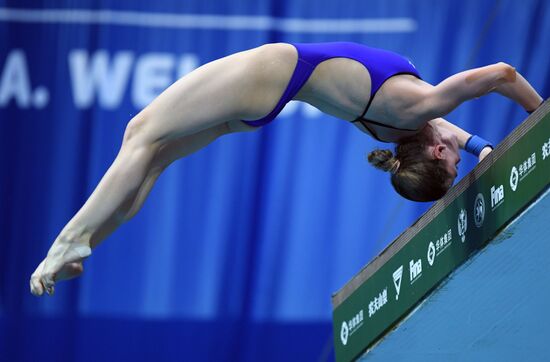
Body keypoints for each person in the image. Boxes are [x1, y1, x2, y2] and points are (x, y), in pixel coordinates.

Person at [30, 42, 543, 296]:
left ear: (431, 154)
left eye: (453, 161)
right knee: (155, 158)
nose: (455, 147)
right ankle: (86, 248)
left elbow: (500, 74)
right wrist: (485, 148)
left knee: (141, 135)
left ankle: (68, 241)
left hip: (270, 74)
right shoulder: (408, 128)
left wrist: (539, 116)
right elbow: (458, 135)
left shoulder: (415, 112)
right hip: (264, 104)